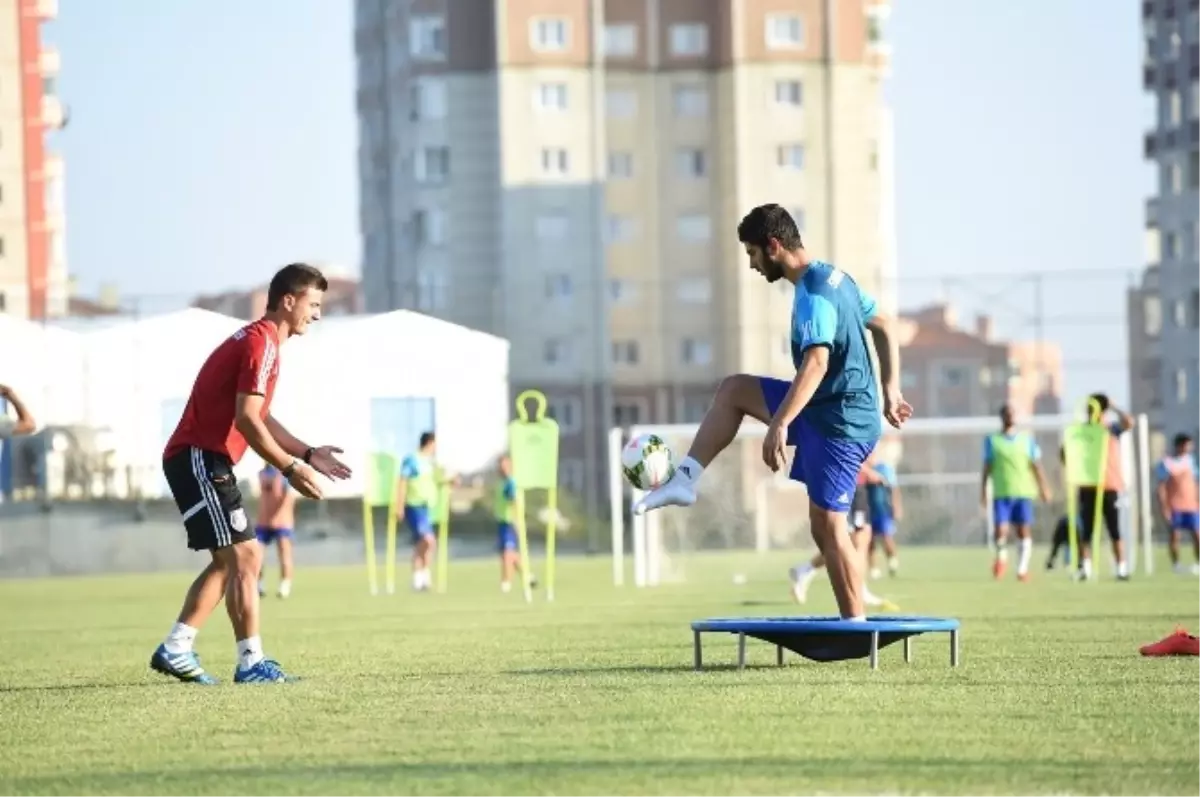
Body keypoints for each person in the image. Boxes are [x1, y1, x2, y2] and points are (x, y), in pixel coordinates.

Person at [634, 204, 911, 621]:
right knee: (734, 390)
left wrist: (779, 422)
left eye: (752, 254)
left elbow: (816, 362)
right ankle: (685, 480)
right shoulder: (836, 278)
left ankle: (857, 629)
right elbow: (886, 325)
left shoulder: (815, 296)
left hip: (842, 424)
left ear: (774, 246)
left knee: (829, 526)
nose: (752, 264)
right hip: (824, 407)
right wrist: (890, 389)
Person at [151, 263, 352, 685]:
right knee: (247, 556)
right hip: (199, 457)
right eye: (313, 304)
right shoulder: (261, 343)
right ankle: (250, 663)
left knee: (230, 561)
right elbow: (247, 420)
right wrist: (290, 467)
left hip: (203, 459)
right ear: (288, 301)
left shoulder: (263, 343)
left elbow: (258, 415)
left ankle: (177, 647)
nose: (316, 314)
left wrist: (309, 452)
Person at [981, 404, 1052, 582]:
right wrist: (983, 491)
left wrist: (1044, 487)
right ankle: (1001, 558)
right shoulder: (993, 440)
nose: (1010, 417)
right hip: (1002, 493)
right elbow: (987, 468)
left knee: (1023, 531)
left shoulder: (1027, 440)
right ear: (1002, 417)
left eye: (1013, 413)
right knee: (1000, 530)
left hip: (1023, 492)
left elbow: (1036, 466)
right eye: (1007, 414)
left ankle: (1022, 569)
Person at [1075, 393, 1133, 581]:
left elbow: (1129, 423)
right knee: (1086, 530)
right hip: (1088, 485)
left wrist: (1113, 405)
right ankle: (1085, 568)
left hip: (1109, 485)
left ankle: (1121, 568)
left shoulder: (1111, 429)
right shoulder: (1081, 431)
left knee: (1114, 530)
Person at [1154, 432, 1200, 575]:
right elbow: (1161, 487)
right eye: (1187, 445)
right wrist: (1164, 507)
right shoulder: (1167, 463)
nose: (1190, 448)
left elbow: (1196, 483)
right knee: (1175, 535)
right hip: (1175, 506)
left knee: (1197, 535)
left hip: (1192, 505)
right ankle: (1176, 565)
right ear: (1180, 446)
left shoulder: (1192, 462)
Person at [398, 431, 439, 592]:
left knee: (422, 545)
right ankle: (421, 576)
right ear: (429, 443)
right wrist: (399, 505)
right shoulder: (412, 460)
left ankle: (420, 578)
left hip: (426, 507)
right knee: (428, 540)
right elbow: (402, 481)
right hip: (414, 506)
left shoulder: (429, 462)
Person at [255, 463, 296, 598]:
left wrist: (277, 516)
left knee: (284, 554)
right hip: (263, 522)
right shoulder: (261, 473)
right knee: (256, 555)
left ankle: (284, 585)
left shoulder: (284, 474)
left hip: (282, 522)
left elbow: (288, 497)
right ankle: (259, 585)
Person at [864, 446, 902, 579]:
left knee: (886, 537)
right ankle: (873, 569)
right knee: (869, 541)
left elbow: (894, 488)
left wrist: (896, 507)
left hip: (883, 509)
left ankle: (892, 560)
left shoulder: (884, 469)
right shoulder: (863, 470)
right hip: (867, 509)